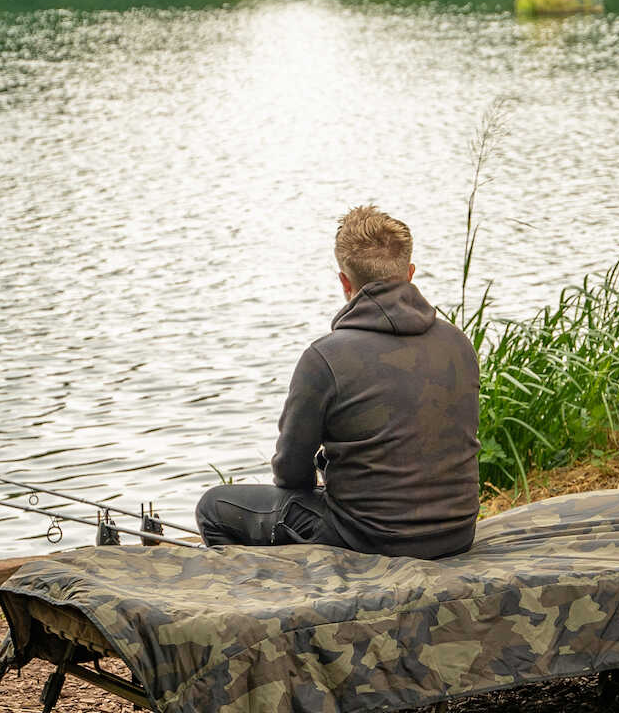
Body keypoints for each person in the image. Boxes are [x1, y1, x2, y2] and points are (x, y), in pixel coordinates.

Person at [195, 205, 480, 560]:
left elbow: (290, 471)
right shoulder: (458, 343)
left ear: (345, 283)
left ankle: (265, 586)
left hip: (370, 539)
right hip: (456, 533)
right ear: (410, 273)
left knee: (214, 506)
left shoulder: (324, 357)